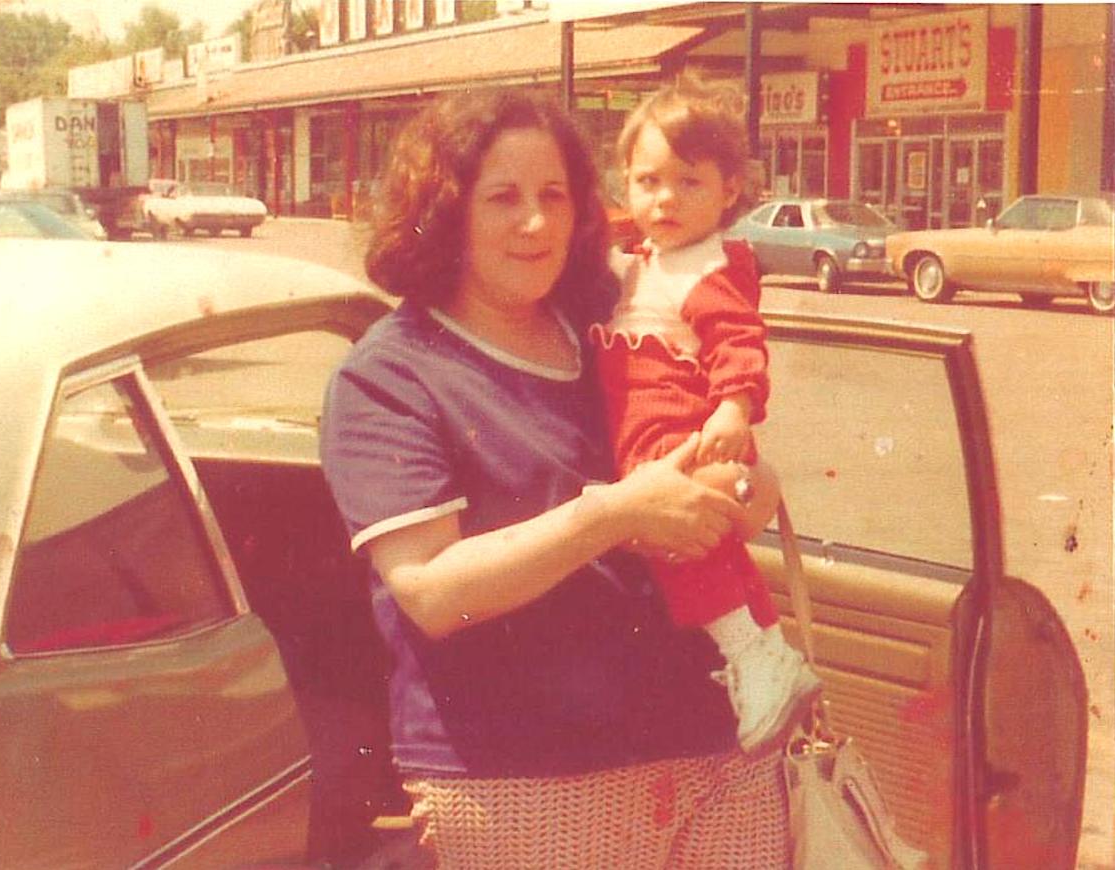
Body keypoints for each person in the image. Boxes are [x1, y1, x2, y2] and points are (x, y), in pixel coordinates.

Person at [320, 88, 790, 868]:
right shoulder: (390, 376)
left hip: (717, 752)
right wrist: (611, 516)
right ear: (446, 210)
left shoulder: (616, 319)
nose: (535, 223)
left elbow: (755, 488)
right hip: (526, 782)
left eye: (554, 196)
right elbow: (432, 592)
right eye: (503, 198)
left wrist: (733, 489)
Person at [589, 81, 820, 753]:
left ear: (728, 191)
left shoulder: (709, 267)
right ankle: (767, 651)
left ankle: (752, 652)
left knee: (677, 540)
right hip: (645, 427)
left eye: (688, 183)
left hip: (675, 425)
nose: (664, 199)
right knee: (706, 543)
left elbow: (739, 340)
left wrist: (733, 407)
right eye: (647, 181)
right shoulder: (646, 259)